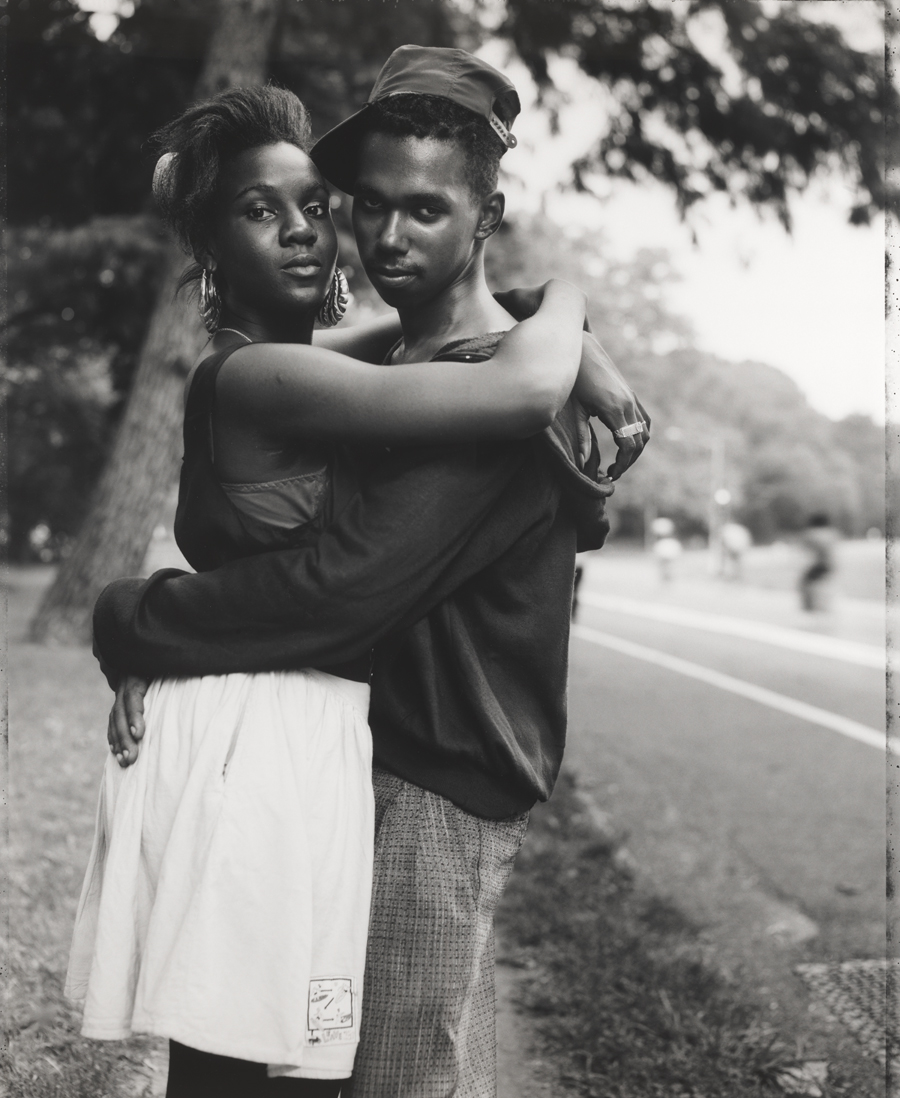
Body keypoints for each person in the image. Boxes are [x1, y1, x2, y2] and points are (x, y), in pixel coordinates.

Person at [95, 46, 650, 1097]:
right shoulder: (380, 370)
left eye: (426, 210)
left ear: (484, 217)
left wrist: (134, 620)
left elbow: (341, 589)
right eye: (372, 204)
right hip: (320, 759)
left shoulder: (474, 391)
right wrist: (561, 313)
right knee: (259, 1061)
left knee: (367, 1071)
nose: (382, 235)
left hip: (428, 789)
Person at [799, 512, 837, 612]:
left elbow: (804, 550)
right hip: (827, 566)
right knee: (818, 586)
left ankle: (811, 607)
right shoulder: (831, 534)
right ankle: (818, 606)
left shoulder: (812, 534)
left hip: (818, 566)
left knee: (807, 586)